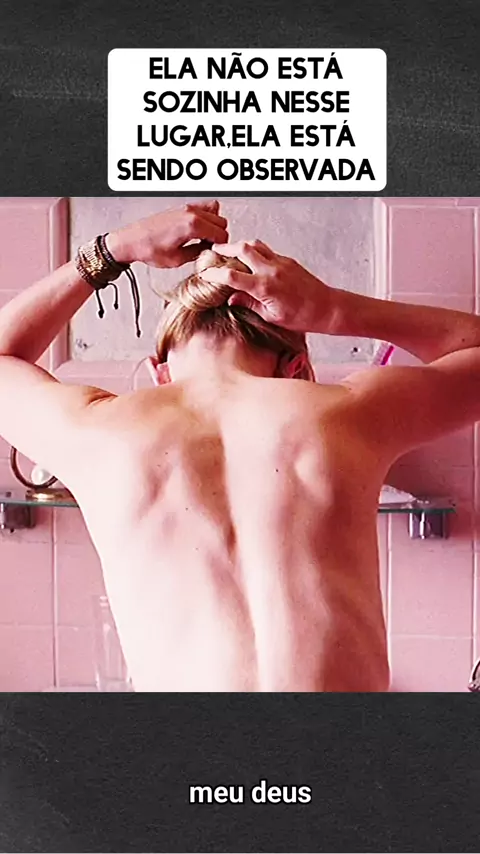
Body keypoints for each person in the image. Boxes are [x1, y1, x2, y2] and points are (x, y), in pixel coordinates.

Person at [0, 200, 479, 692]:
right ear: (296, 369)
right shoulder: (346, 414)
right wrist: (334, 308)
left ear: (159, 373)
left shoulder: (99, 433)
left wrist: (117, 248)